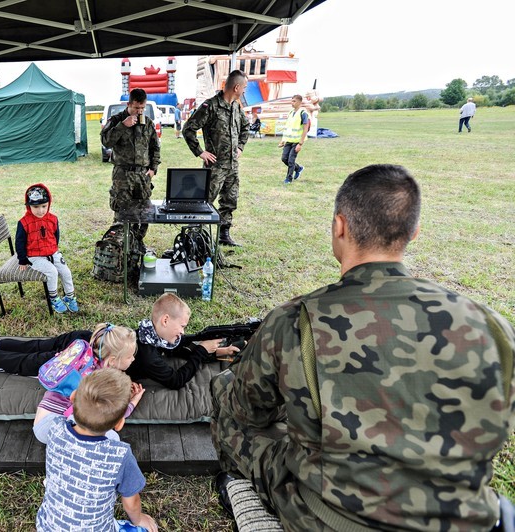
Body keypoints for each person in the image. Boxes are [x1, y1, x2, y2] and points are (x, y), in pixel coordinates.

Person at [210, 164, 515, 530]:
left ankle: (238, 488)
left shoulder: (295, 320)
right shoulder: (492, 326)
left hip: (330, 517)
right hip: (463, 520)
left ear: (339, 226)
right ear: (414, 232)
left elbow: (247, 412)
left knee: (225, 393)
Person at [36, 369, 158, 532]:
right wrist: (139, 519)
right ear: (119, 424)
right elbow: (131, 503)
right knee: (146, 529)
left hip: (46, 526)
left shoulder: (54, 427)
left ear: (72, 397)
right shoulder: (119, 455)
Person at [0, 323, 133, 381]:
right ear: (112, 360)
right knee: (14, 362)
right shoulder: (103, 372)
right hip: (58, 363)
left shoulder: (102, 340)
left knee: (30, 346)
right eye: (130, 356)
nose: (133, 359)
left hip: (78, 340)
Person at [183, 70, 249, 247]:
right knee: (204, 202)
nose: (244, 91)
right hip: (215, 167)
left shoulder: (236, 107)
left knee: (230, 200)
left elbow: (246, 127)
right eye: (244, 88)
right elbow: (188, 129)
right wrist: (200, 152)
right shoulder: (210, 106)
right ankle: (194, 235)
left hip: (232, 166)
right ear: (236, 87)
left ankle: (224, 234)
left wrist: (241, 147)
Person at [127, 293, 238, 390]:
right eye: (182, 326)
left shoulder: (150, 335)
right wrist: (201, 351)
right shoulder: (148, 357)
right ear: (165, 320)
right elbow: (176, 381)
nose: (183, 332)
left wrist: (220, 352)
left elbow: (182, 351)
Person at [100, 88, 161, 244]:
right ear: (129, 104)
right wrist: (123, 125)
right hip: (123, 175)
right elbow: (106, 141)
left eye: (142, 108)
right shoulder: (116, 120)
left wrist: (153, 169)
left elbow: (155, 147)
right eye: (136, 108)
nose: (139, 111)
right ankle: (118, 247)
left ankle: (137, 245)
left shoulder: (147, 123)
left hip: (143, 176)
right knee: (121, 212)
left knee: (144, 213)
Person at [16, 183, 78, 314]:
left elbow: (56, 235)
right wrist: (22, 259)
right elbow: (19, 242)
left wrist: (54, 249)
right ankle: (53, 298)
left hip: (53, 252)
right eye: (36, 207)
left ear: (49, 204)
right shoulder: (23, 222)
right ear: (28, 206)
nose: (40, 210)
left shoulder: (53, 219)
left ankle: (70, 297)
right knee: (52, 272)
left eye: (44, 206)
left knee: (66, 272)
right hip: (35, 256)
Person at [278, 94, 309, 185]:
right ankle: (298, 168)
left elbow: (305, 128)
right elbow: (287, 127)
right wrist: (283, 140)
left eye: (294, 101)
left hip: (297, 141)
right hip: (288, 140)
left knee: (291, 160)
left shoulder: (303, 113)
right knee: (284, 158)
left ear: (300, 102)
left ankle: (289, 179)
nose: (292, 103)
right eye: (292, 101)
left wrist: (300, 143)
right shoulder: (291, 113)